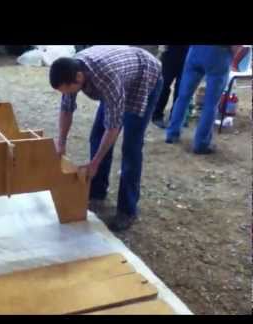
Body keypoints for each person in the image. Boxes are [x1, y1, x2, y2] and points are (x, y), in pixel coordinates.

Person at [49, 46, 163, 231]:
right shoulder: (71, 70)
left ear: (79, 78)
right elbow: (67, 109)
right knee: (97, 136)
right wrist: (61, 142)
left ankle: (127, 210)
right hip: (121, 77)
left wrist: (94, 162)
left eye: (69, 90)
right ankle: (96, 193)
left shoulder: (107, 79)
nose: (68, 93)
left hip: (144, 79)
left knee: (131, 147)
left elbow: (113, 127)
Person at [165, 45, 245, 154]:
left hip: (195, 50)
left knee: (183, 97)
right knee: (211, 104)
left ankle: (172, 134)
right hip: (219, 53)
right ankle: (201, 144)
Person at [151, 45, 190, 129]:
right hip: (170, 52)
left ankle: (176, 117)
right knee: (164, 85)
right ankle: (157, 115)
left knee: (181, 87)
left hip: (187, 53)